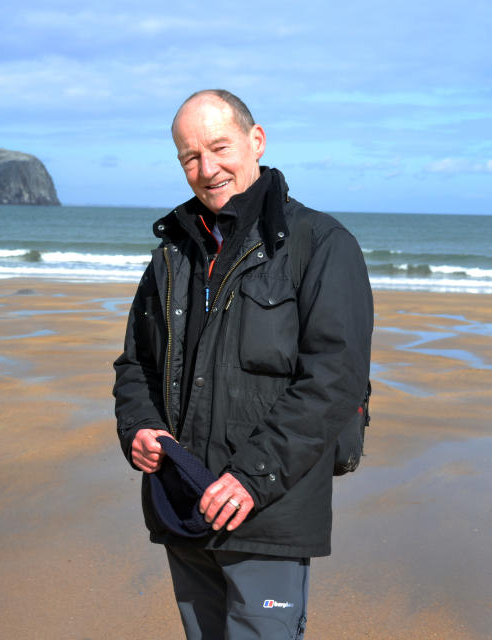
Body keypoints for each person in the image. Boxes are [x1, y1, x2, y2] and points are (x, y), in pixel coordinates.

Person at [112, 89, 373, 639]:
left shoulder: (322, 243)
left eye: (219, 147)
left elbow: (335, 380)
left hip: (266, 512)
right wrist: (138, 426)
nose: (207, 169)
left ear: (256, 141)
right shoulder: (172, 252)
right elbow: (135, 363)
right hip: (181, 504)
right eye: (189, 156)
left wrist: (251, 479)